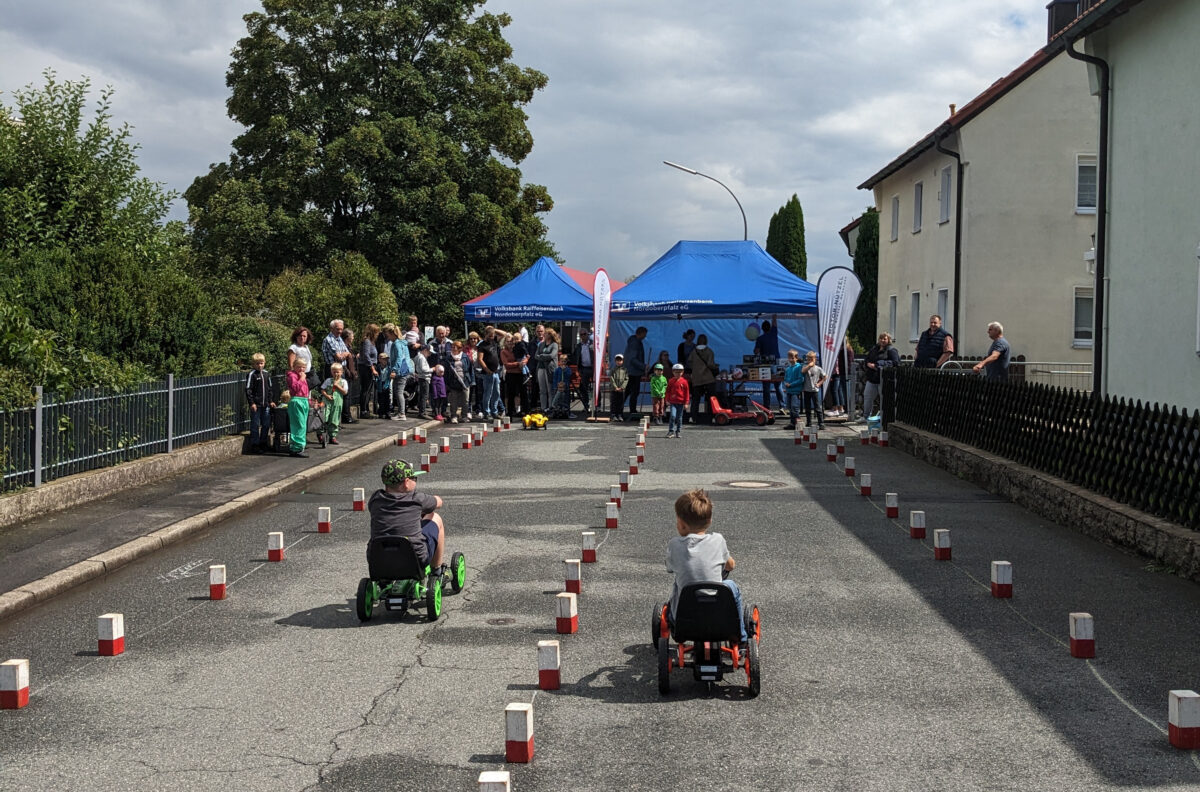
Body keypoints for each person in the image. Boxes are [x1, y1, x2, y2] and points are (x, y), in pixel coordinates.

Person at [665, 489, 746, 645]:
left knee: (678, 584)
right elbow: (731, 565)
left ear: (681, 524)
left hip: (686, 617)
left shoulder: (674, 545)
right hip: (718, 617)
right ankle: (740, 635)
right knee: (731, 586)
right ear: (709, 522)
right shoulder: (718, 540)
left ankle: (673, 619)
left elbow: (670, 567)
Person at [368, 458, 446, 571]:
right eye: (414, 478)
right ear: (406, 483)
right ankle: (437, 569)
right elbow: (439, 502)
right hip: (414, 559)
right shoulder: (417, 499)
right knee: (435, 517)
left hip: (378, 559)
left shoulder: (375, 499)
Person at [862, 332, 900, 419]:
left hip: (884, 379)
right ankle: (866, 416)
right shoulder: (874, 349)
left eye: (885, 339)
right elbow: (867, 358)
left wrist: (878, 365)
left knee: (884, 399)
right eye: (881, 338)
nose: (882, 340)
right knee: (867, 397)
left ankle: (884, 418)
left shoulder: (891, 350)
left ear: (889, 340)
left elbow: (895, 362)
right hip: (872, 378)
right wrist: (867, 363)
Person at [245, 353, 275, 454]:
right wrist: (252, 403)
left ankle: (263, 443)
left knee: (266, 424)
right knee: (255, 424)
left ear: (264, 363)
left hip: (265, 404)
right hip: (256, 405)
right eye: (257, 364)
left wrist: (270, 401)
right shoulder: (252, 374)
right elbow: (248, 389)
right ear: (253, 364)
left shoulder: (266, 374)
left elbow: (270, 389)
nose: (260, 366)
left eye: (261, 363)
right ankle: (255, 444)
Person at [687, 334, 718, 425]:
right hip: (708, 378)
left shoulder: (694, 352)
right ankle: (711, 417)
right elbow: (711, 364)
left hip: (697, 379)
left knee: (696, 400)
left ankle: (693, 417)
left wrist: (696, 369)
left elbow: (689, 363)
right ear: (706, 341)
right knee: (711, 399)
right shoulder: (709, 351)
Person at [753, 319, 783, 410]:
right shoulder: (774, 334)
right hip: (777, 362)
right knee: (778, 385)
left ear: (762, 329)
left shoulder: (760, 338)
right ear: (770, 328)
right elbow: (774, 321)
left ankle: (767, 407)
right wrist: (773, 311)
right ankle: (782, 406)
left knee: (766, 386)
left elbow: (756, 352)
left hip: (765, 364)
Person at [284, 356, 311, 458]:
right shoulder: (292, 376)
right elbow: (295, 388)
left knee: (302, 425)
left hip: (304, 400)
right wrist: (301, 379)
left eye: (303, 367)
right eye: (299, 367)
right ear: (294, 367)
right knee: (298, 425)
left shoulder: (301, 376)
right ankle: (296, 448)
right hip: (296, 400)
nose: (301, 369)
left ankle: (300, 446)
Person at [319, 363, 349, 444]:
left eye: (338, 372)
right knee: (324, 417)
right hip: (327, 402)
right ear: (331, 372)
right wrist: (327, 395)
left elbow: (345, 392)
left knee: (334, 419)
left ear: (341, 372)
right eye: (334, 372)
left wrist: (337, 386)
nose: (336, 374)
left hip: (337, 403)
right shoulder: (328, 380)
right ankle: (320, 433)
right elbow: (322, 389)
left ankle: (332, 436)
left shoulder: (343, 382)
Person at [622, 326, 648, 419]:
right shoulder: (635, 343)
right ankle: (631, 410)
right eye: (644, 334)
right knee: (632, 391)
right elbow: (632, 359)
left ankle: (624, 409)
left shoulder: (635, 342)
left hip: (633, 371)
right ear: (640, 333)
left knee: (629, 391)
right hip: (633, 372)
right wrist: (643, 366)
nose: (645, 336)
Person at [477, 327, 503, 420]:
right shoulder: (482, 345)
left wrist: (494, 329)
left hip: (496, 372)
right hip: (487, 373)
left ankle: (494, 411)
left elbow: (504, 334)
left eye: (493, 335)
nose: (492, 337)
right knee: (488, 393)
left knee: (497, 392)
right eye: (490, 335)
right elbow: (479, 359)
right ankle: (486, 412)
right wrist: (486, 368)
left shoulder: (494, 342)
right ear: (486, 335)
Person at [570, 327, 595, 415]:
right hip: (584, 368)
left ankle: (597, 405)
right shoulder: (578, 346)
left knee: (596, 387)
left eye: (585, 334)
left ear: (588, 334)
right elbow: (575, 357)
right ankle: (586, 405)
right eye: (581, 334)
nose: (583, 336)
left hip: (593, 368)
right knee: (584, 387)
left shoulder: (593, 344)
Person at [828, 338, 855, 418]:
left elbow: (849, 362)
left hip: (845, 373)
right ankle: (842, 409)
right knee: (840, 391)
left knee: (844, 392)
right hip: (841, 373)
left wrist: (847, 372)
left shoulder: (847, 350)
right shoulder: (841, 350)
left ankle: (846, 410)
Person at [800, 351, 827, 430]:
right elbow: (803, 371)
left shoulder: (818, 368)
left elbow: (825, 376)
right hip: (806, 390)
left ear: (815, 359)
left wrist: (819, 383)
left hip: (815, 390)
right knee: (807, 408)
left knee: (817, 407)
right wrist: (809, 365)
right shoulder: (805, 366)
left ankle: (821, 423)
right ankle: (809, 422)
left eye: (811, 359)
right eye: (808, 359)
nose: (810, 361)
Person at [446, 340, 471, 423]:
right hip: (453, 381)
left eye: (454, 347)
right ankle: (453, 416)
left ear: (460, 348)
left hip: (465, 381)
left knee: (466, 400)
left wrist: (472, 381)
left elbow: (470, 369)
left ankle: (464, 416)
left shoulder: (464, 357)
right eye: (452, 347)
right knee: (454, 400)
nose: (453, 349)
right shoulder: (449, 357)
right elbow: (446, 370)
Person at [359, 324, 380, 419]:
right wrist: (372, 368)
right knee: (365, 389)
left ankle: (367, 409)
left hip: (370, 366)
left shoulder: (372, 342)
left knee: (368, 390)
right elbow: (366, 356)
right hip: (367, 367)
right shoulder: (367, 342)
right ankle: (363, 410)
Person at [501, 333, 526, 417]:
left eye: (511, 341)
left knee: (523, 393)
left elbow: (526, 356)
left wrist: (524, 362)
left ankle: (524, 411)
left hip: (520, 373)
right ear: (505, 342)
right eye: (508, 342)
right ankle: (510, 412)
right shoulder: (503, 351)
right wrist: (518, 363)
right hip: (510, 374)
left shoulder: (518, 348)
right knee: (510, 394)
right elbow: (506, 364)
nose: (510, 343)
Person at [535, 328, 560, 412]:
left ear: (550, 335)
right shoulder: (541, 344)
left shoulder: (554, 345)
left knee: (550, 389)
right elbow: (536, 356)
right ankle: (543, 408)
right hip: (541, 368)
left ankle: (550, 407)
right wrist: (544, 356)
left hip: (550, 369)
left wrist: (541, 356)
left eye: (546, 333)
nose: (544, 335)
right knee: (542, 390)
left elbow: (552, 355)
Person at [665, 363, 690, 438]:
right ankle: (671, 431)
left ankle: (678, 431)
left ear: (682, 372)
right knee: (672, 416)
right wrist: (667, 400)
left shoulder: (684, 382)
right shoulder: (671, 381)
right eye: (676, 372)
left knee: (679, 418)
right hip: (673, 402)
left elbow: (687, 393)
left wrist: (686, 403)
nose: (678, 374)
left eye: (680, 372)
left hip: (681, 402)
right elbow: (668, 391)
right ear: (673, 372)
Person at [339, 326, 358, 425]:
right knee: (346, 395)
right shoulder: (344, 346)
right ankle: (346, 416)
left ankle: (348, 414)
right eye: (352, 336)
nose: (353, 337)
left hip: (350, 372)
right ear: (347, 337)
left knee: (349, 395)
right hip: (347, 373)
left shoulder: (349, 346)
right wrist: (348, 371)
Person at [782, 349, 803, 430]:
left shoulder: (799, 367)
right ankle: (792, 423)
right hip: (789, 391)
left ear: (796, 358)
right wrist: (786, 384)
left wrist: (791, 384)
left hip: (795, 391)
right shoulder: (788, 368)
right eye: (789, 357)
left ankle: (799, 423)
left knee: (795, 407)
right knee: (790, 408)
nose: (790, 359)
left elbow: (801, 379)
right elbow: (785, 379)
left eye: (792, 357)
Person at [413, 344, 433, 418]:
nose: (429, 354)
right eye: (429, 352)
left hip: (423, 378)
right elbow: (423, 369)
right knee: (424, 395)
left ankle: (422, 411)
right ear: (425, 350)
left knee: (423, 395)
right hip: (424, 378)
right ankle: (422, 412)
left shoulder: (420, 357)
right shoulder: (421, 358)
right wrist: (432, 369)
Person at [551, 352, 572, 418]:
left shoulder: (568, 369)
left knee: (566, 399)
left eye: (564, 361)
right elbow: (555, 378)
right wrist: (555, 386)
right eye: (562, 361)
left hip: (566, 387)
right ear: (559, 362)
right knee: (557, 399)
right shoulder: (557, 370)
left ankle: (566, 411)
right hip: (558, 387)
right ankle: (557, 410)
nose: (563, 363)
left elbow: (569, 376)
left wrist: (564, 370)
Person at [609, 353, 629, 422]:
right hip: (614, 389)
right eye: (617, 360)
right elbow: (611, 378)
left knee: (621, 402)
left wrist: (622, 387)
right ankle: (613, 415)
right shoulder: (613, 369)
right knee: (614, 402)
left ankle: (620, 414)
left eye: (620, 360)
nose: (619, 362)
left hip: (622, 390)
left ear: (622, 361)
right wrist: (615, 387)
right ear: (615, 361)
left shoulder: (625, 370)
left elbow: (626, 379)